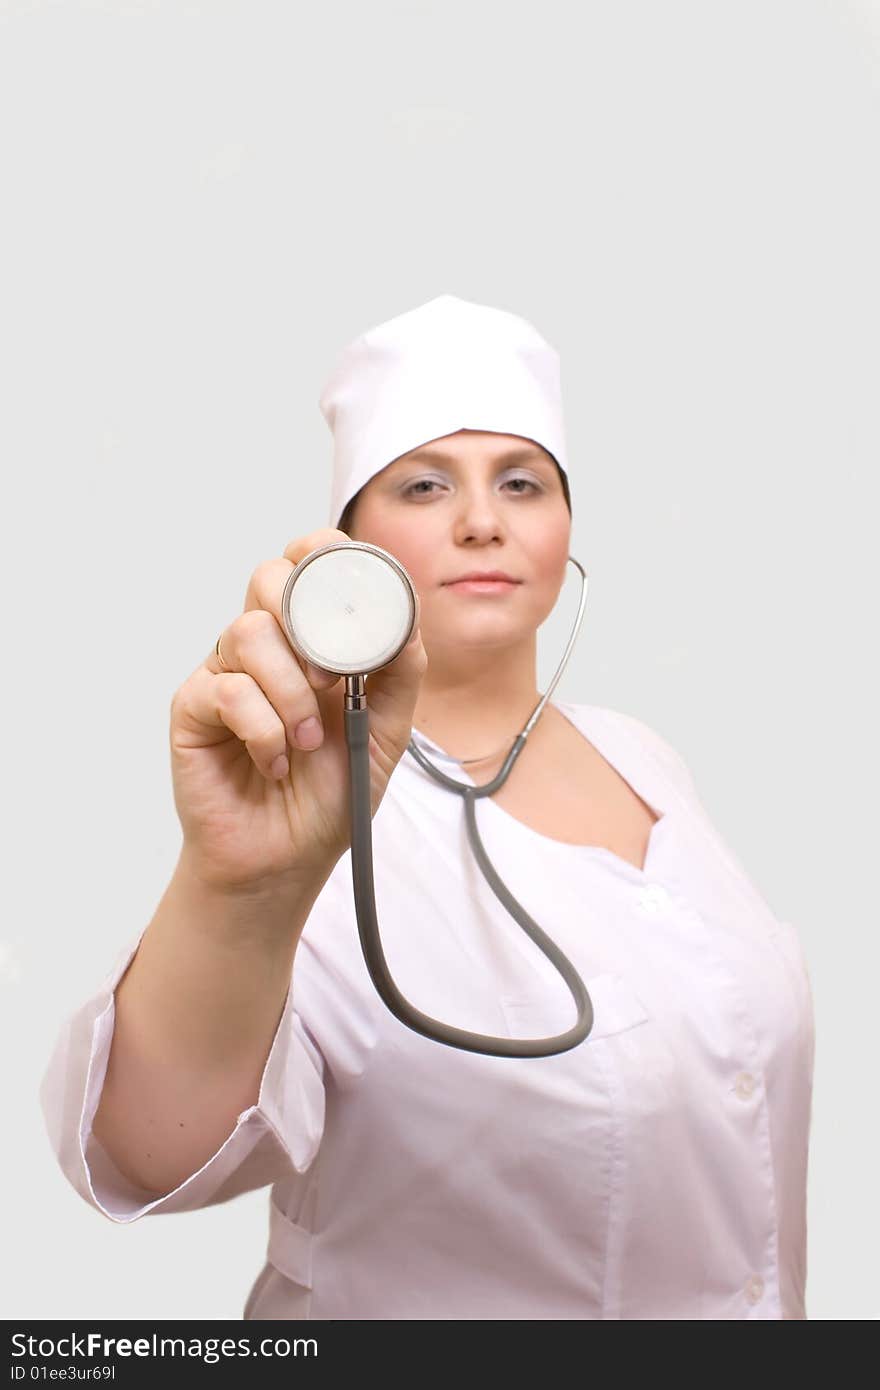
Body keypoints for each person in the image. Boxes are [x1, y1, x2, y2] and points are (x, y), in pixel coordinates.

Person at [39, 295, 816, 1320]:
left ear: (565, 526)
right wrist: (238, 889)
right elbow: (145, 1155)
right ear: (349, 548)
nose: (482, 519)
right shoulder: (314, 812)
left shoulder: (644, 757)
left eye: (522, 482)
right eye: (424, 483)